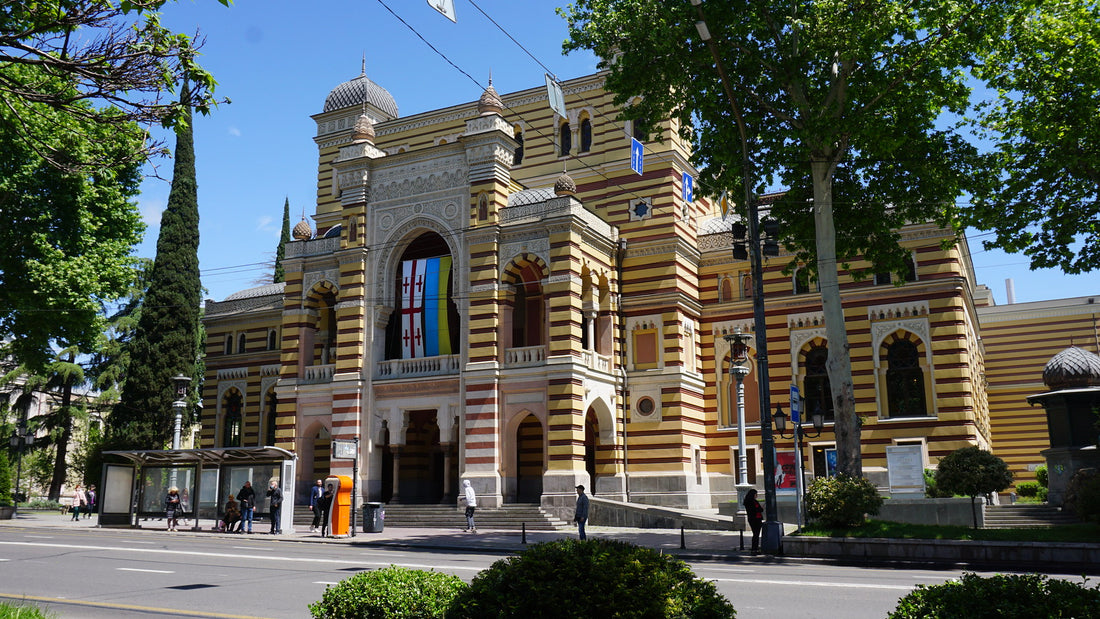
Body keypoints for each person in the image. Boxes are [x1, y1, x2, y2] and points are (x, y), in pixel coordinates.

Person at [743, 488, 764, 554]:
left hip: (755, 518)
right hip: (755, 518)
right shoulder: (751, 502)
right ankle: (754, 548)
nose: (756, 495)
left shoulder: (750, 501)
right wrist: (760, 508)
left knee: (756, 534)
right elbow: (758, 510)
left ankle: (755, 548)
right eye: (756, 494)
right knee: (756, 534)